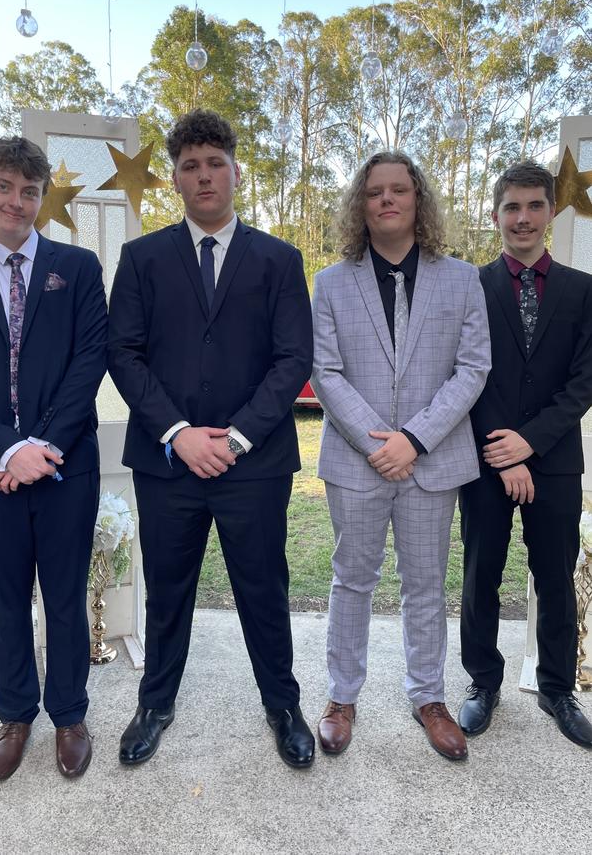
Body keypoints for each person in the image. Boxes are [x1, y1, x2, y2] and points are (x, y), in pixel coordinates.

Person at [107, 109, 315, 768]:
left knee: (264, 588)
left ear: (235, 170)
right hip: (168, 463)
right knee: (168, 589)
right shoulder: (141, 258)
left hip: (253, 464)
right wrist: (178, 432)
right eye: (190, 165)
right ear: (174, 179)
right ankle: (155, 703)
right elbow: (124, 352)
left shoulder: (280, 259)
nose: (204, 175)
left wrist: (237, 438)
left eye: (214, 163)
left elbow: (293, 359)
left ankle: (283, 704)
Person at [310, 151, 490, 761]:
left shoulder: (461, 279)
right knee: (351, 579)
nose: (387, 200)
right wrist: (378, 443)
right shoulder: (332, 282)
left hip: (432, 461)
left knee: (425, 585)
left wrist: (413, 439)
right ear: (360, 205)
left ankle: (429, 696)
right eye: (374, 192)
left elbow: (472, 370)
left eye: (399, 190)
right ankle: (341, 697)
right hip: (356, 463)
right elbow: (326, 373)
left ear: (418, 199)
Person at [0, 137, 108, 779]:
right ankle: (14, 715)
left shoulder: (79, 266)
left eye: (30, 191)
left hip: (66, 465)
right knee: (7, 599)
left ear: (42, 198)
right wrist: (6, 448)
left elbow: (88, 360)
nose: (17, 201)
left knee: (64, 595)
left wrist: (42, 446)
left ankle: (69, 714)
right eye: (5, 186)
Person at [458, 161, 592, 748]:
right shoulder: (470, 286)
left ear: (550, 212)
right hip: (486, 461)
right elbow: (466, 375)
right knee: (480, 574)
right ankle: (482, 683)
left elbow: (585, 380)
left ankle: (558, 687)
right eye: (511, 207)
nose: (523, 217)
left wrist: (531, 442)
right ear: (496, 216)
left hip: (556, 461)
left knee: (555, 579)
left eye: (534, 205)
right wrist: (504, 453)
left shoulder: (584, 290)